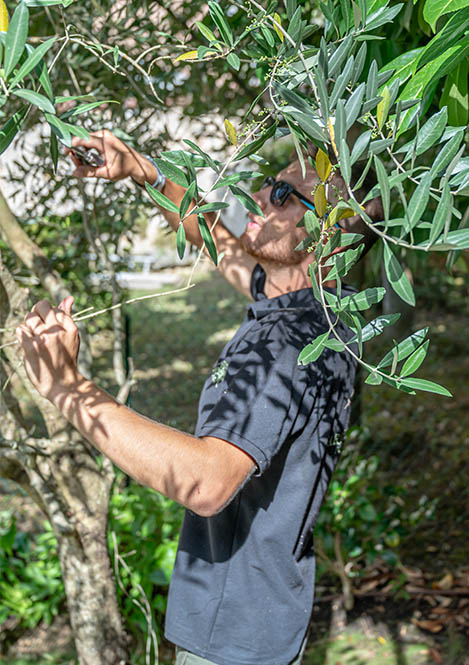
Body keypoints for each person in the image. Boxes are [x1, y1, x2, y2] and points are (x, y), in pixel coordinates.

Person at [16, 130, 381, 665]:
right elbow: (222, 244)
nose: (257, 198)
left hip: (231, 642)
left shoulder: (289, 345)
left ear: (328, 238)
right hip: (263, 622)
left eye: (282, 196)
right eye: (265, 186)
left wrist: (68, 388)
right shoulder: (318, 308)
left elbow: (207, 483)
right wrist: (145, 171)